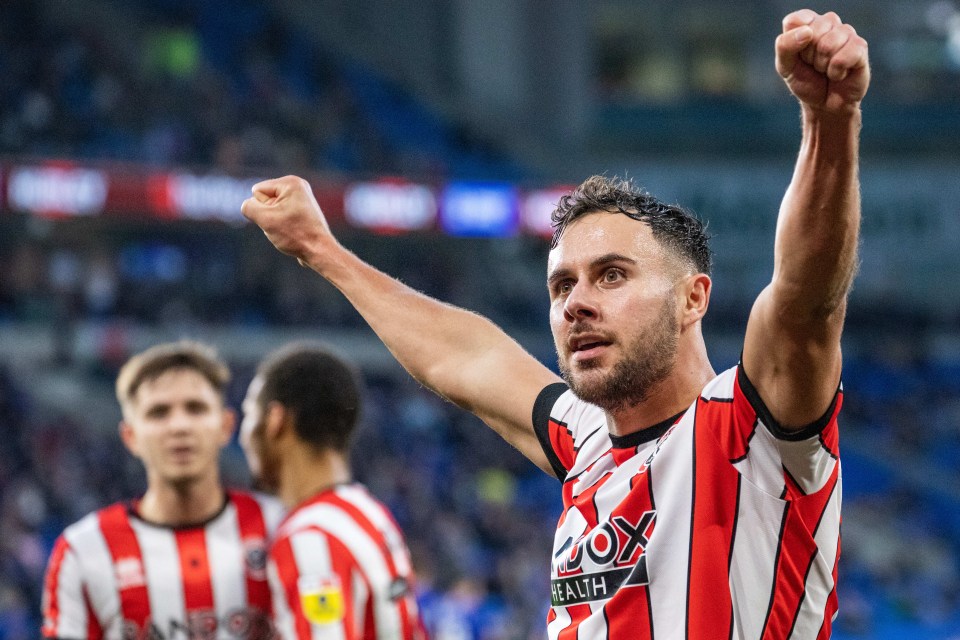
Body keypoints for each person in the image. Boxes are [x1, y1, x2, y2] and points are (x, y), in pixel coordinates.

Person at [241, 9, 868, 639]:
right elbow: (466, 359)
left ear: (692, 299)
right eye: (562, 285)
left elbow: (806, 298)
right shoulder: (585, 439)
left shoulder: (751, 431)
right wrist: (323, 252)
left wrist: (829, 121)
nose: (576, 303)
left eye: (613, 275)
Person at [41, 341, 284, 639]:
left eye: (196, 408)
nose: (179, 426)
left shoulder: (282, 528)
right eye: (159, 413)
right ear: (130, 437)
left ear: (226, 425)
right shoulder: (85, 551)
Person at [239, 342, 425, 640]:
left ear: (276, 420)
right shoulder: (369, 513)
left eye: (248, 414)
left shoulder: (311, 537)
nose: (244, 435)